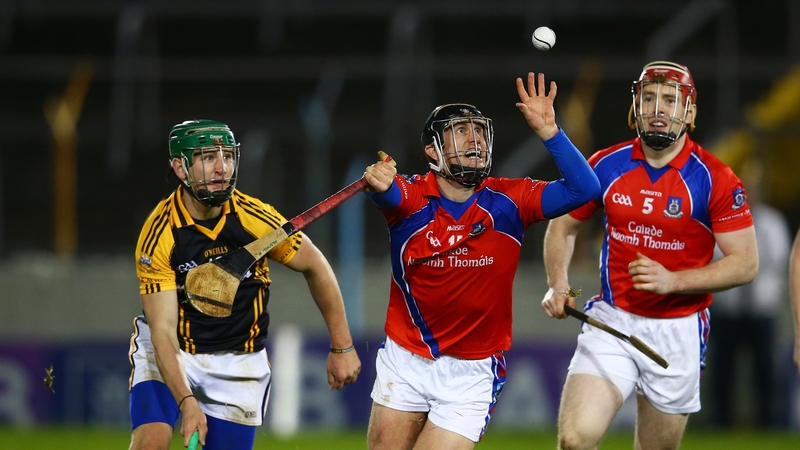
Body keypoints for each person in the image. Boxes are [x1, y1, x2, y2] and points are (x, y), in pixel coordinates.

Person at [361, 72, 601, 450]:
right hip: (406, 358)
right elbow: (389, 193)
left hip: (472, 371)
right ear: (432, 151)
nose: (474, 138)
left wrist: (550, 130)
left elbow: (585, 189)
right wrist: (380, 181)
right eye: (460, 131)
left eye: (478, 131)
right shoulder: (411, 198)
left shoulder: (511, 200)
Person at [541, 61, 758, 450]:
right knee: (575, 439)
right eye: (649, 97)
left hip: (678, 331)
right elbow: (563, 226)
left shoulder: (715, 178)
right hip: (613, 320)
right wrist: (559, 284)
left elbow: (746, 263)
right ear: (635, 107)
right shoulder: (605, 165)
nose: (659, 108)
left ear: (689, 113)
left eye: (671, 100)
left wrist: (673, 280)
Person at [128, 119, 361, 450]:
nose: (221, 168)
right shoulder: (160, 234)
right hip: (173, 348)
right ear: (180, 167)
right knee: (151, 442)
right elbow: (163, 331)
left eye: (228, 156)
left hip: (237, 360)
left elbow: (315, 265)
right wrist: (187, 402)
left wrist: (342, 346)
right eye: (208, 157)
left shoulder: (255, 219)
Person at [709, 165, 791, 428]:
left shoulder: (772, 222)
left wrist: (743, 260)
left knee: (765, 370)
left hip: (761, 310)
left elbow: (778, 261)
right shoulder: (721, 218)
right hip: (729, 309)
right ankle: (720, 422)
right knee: (723, 369)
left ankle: (769, 422)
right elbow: (712, 257)